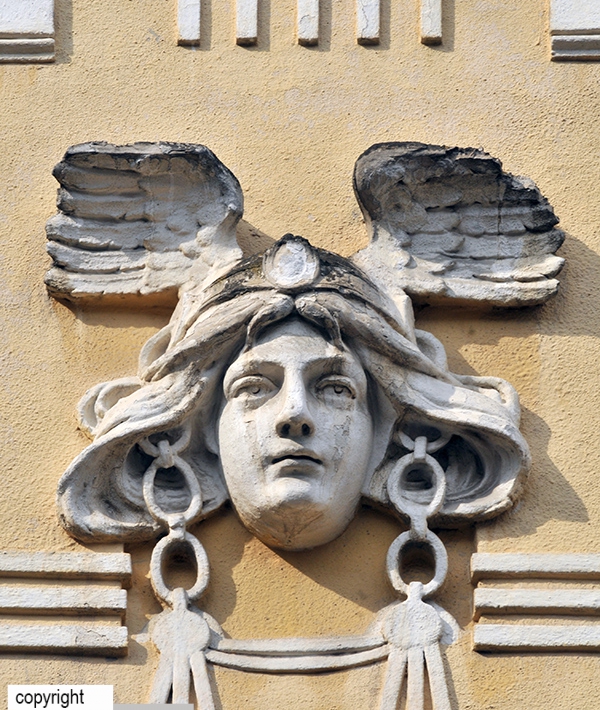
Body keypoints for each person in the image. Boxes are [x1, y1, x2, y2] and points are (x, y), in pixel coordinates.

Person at [57, 235, 529, 549]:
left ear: (390, 431)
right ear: (201, 430)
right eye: (255, 387)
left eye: (337, 389)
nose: (294, 416)